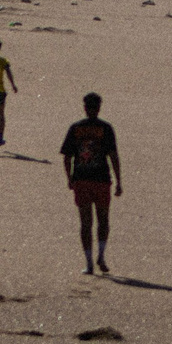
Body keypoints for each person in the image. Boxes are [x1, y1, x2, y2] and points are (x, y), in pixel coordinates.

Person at [59, 92, 123, 275]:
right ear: (99, 107)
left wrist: (69, 178)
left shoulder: (76, 128)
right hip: (101, 179)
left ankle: (89, 263)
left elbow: (67, 157)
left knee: (86, 222)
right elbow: (113, 156)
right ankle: (100, 256)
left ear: (85, 107)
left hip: (82, 179)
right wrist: (119, 181)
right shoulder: (106, 128)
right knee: (103, 220)